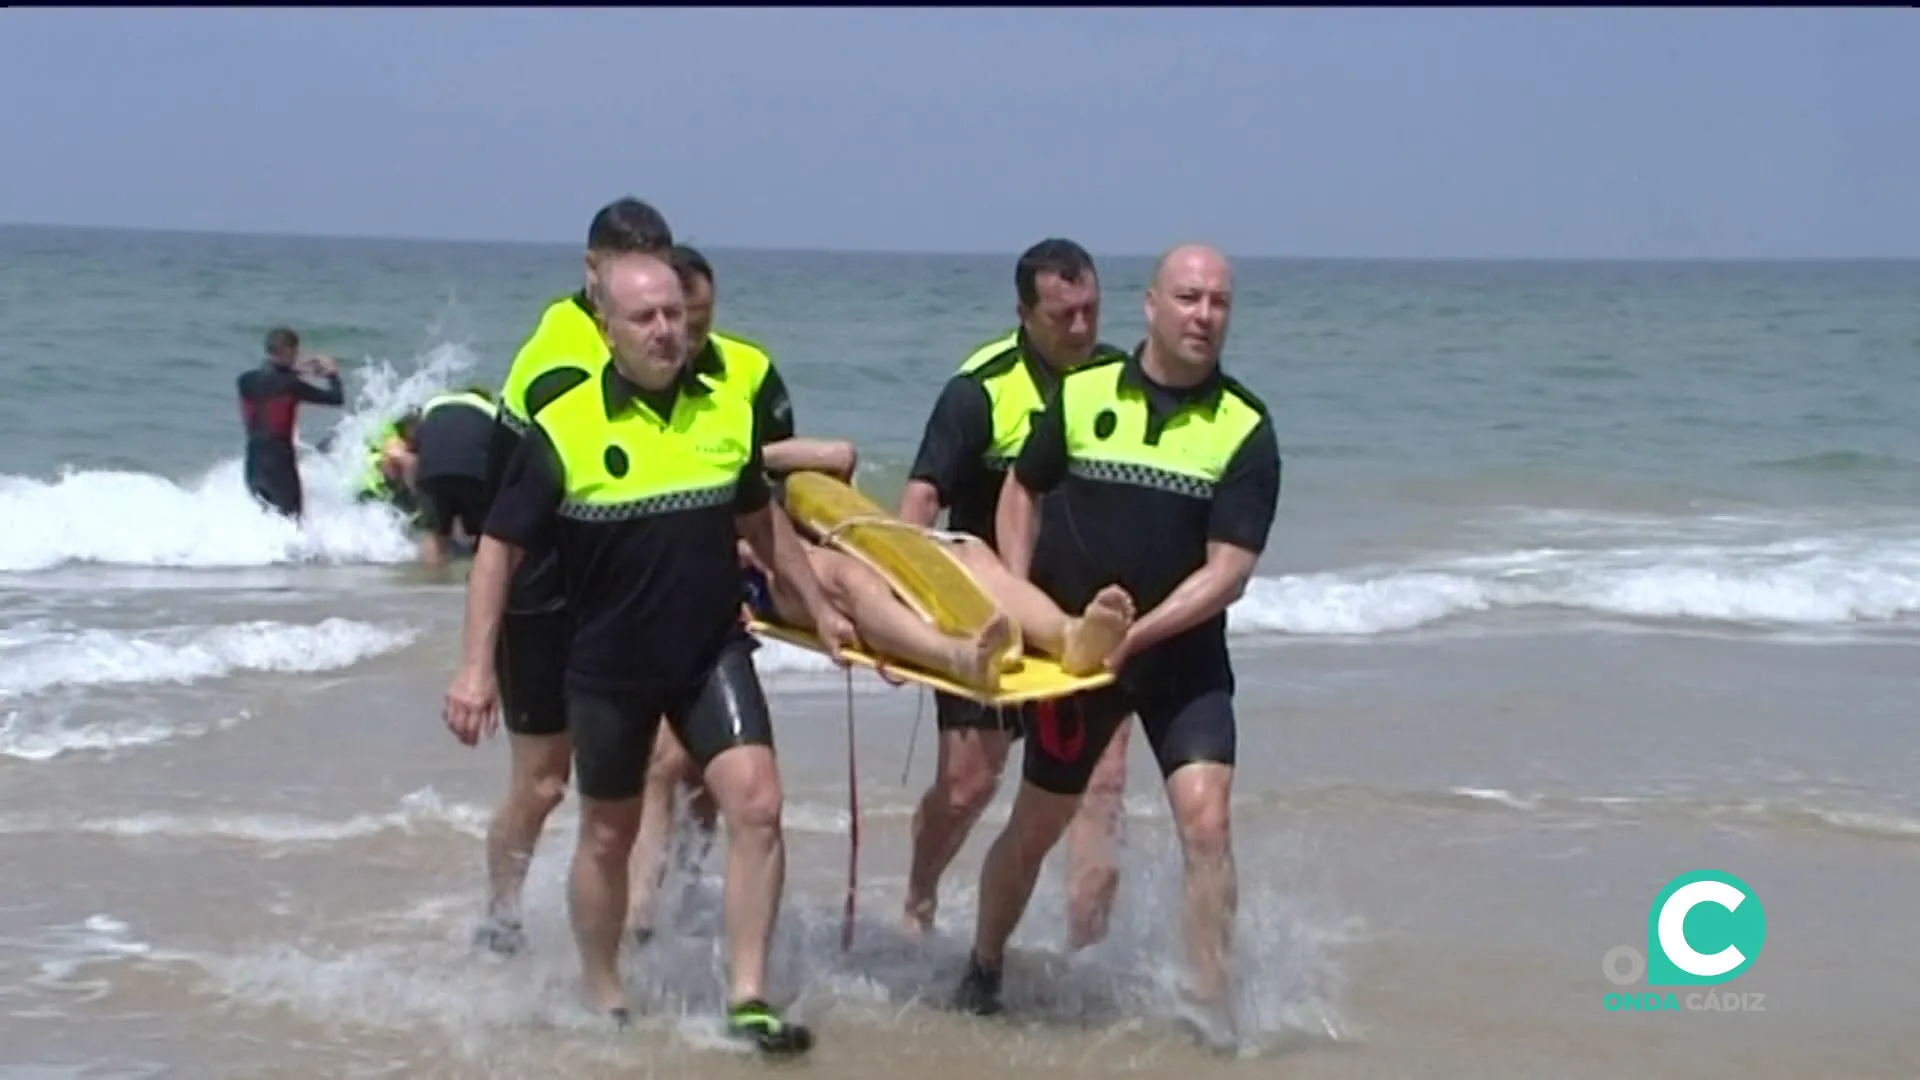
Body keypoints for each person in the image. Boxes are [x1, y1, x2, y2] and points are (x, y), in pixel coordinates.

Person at [445, 250, 855, 1053]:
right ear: (608, 329)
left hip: (710, 653)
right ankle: (604, 991)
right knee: (608, 833)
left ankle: (748, 998)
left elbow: (761, 522)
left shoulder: (725, 413)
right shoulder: (564, 427)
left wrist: (821, 610)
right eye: (646, 317)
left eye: (675, 313)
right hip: (607, 665)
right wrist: (473, 669)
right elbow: (497, 551)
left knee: (758, 804)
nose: (667, 330)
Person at [954, 244, 1281, 1041]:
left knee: (1207, 824)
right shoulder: (1081, 392)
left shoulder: (1245, 427)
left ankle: (1208, 1008)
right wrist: (1023, 604)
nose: (1205, 316)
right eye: (1189, 298)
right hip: (1076, 664)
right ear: (1152, 305)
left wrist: (1135, 637)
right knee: (1036, 827)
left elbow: (1229, 572)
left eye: (1220, 302)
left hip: (1182, 662)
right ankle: (984, 967)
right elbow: (1021, 490)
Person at [894, 238, 1135, 944]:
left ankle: (1084, 952)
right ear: (1024, 314)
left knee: (1102, 786)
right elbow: (920, 501)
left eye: (1091, 311)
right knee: (970, 785)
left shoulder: (1120, 380)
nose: (1082, 329)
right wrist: (899, 608)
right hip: (986, 621)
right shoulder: (979, 390)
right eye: (1063, 315)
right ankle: (918, 897)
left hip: (1083, 624)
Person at [622, 243, 860, 944]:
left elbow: (769, 494)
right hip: (647, 593)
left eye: (698, 322)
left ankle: (683, 896)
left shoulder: (748, 372)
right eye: (675, 320)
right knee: (663, 762)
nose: (685, 338)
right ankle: (639, 917)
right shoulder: (628, 383)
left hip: (725, 590)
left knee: (707, 769)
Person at [467, 196, 677, 958]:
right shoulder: (562, 360)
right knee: (545, 781)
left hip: (610, 588)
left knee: (658, 760)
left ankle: (640, 920)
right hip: (541, 593)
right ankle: (501, 914)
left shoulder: (639, 342)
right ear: (593, 271)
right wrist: (474, 665)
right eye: (626, 273)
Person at [237, 327, 345, 518]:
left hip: (253, 465)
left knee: (266, 520)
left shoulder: (245, 381)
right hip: (280, 465)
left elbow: (271, 377)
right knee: (292, 522)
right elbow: (336, 398)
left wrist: (297, 369)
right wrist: (332, 373)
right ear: (289, 351)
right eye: (295, 352)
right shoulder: (291, 385)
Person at [405, 386, 499, 567]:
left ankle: (432, 579)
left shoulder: (432, 407)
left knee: (435, 532)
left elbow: (411, 452)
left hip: (431, 471)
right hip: (473, 472)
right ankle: (480, 577)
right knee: (483, 534)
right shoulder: (492, 411)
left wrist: (416, 492)